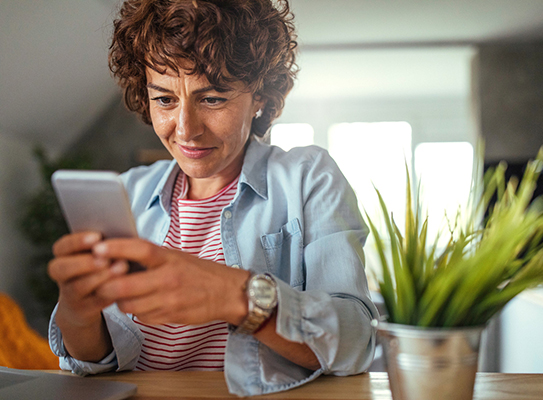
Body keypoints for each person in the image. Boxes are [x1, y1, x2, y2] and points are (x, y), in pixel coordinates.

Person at [47, 0, 378, 396]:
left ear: (260, 96)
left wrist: (236, 296)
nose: (185, 129)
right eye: (165, 100)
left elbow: (357, 339)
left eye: (213, 99)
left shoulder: (308, 178)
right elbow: (92, 359)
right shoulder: (130, 191)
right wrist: (78, 312)